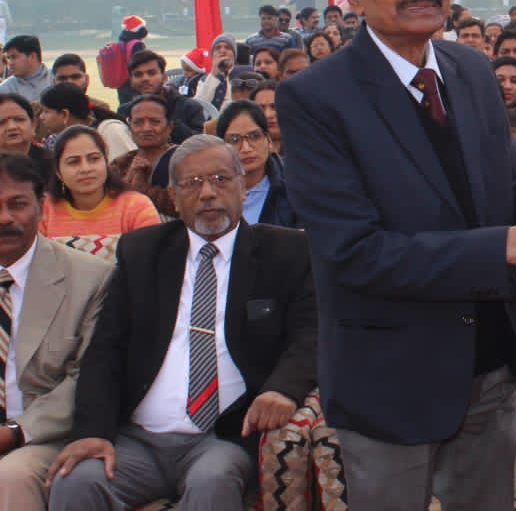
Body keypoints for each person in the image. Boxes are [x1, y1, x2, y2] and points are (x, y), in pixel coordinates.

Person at [275, 0, 516, 511]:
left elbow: (512, 196)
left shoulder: (472, 71)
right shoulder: (315, 98)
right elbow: (354, 253)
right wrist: (508, 245)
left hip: (489, 365)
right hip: (389, 378)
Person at [46, 135, 318, 511]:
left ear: (242, 187)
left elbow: (311, 333)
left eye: (221, 179)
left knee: (212, 482)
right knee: (75, 481)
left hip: (221, 438)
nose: (208, 193)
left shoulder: (286, 252)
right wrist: (92, 431)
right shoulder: (142, 252)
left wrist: (283, 389)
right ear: (174, 197)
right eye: (192, 183)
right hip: (137, 437)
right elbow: (106, 349)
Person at [0, 153, 114, 510]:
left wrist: (14, 432)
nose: (4, 218)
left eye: (17, 204)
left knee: (11, 475)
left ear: (42, 207)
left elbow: (87, 377)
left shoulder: (90, 278)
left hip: (39, 437)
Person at [42, 126, 160, 238]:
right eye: (73, 162)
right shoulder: (44, 209)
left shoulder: (136, 206)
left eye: (94, 159)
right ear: (58, 172)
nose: (86, 169)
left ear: (106, 162)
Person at [214, 102, 296, 229]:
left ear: (268, 141)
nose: (246, 148)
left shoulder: (294, 187)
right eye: (235, 140)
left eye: (254, 136)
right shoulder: (210, 190)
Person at [109, 94, 178, 219]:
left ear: (170, 127)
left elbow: (184, 204)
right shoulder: (122, 162)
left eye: (155, 122)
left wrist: (141, 188)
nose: (146, 128)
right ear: (130, 127)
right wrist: (128, 178)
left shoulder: (183, 160)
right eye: (138, 122)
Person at [119, 51, 206, 145]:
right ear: (131, 81)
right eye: (138, 75)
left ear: (164, 77)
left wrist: (170, 122)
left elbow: (200, 143)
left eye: (151, 73)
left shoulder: (189, 107)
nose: (145, 78)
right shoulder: (124, 112)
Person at [37, 83, 134, 162]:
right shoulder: (54, 140)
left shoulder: (110, 130)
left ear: (64, 114)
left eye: (46, 111)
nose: (41, 117)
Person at [0, 94, 51, 186]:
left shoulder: (53, 164)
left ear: (33, 125)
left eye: (19, 119)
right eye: (1, 122)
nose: (12, 127)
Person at [0, 36, 51, 103]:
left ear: (32, 56)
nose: (10, 63)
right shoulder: (5, 89)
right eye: (8, 58)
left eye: (14, 57)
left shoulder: (56, 78)